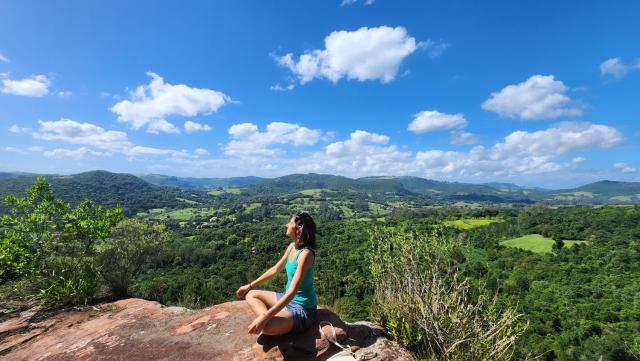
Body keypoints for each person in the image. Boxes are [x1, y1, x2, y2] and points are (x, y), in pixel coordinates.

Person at [235, 211, 318, 341]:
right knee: (251, 294)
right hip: (287, 300)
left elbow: (291, 292)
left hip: (303, 309)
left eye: (290, 222)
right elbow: (274, 270)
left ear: (298, 229)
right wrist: (250, 285)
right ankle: (275, 321)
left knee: (266, 326)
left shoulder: (305, 254)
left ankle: (273, 324)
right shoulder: (292, 246)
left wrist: (265, 317)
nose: (286, 225)